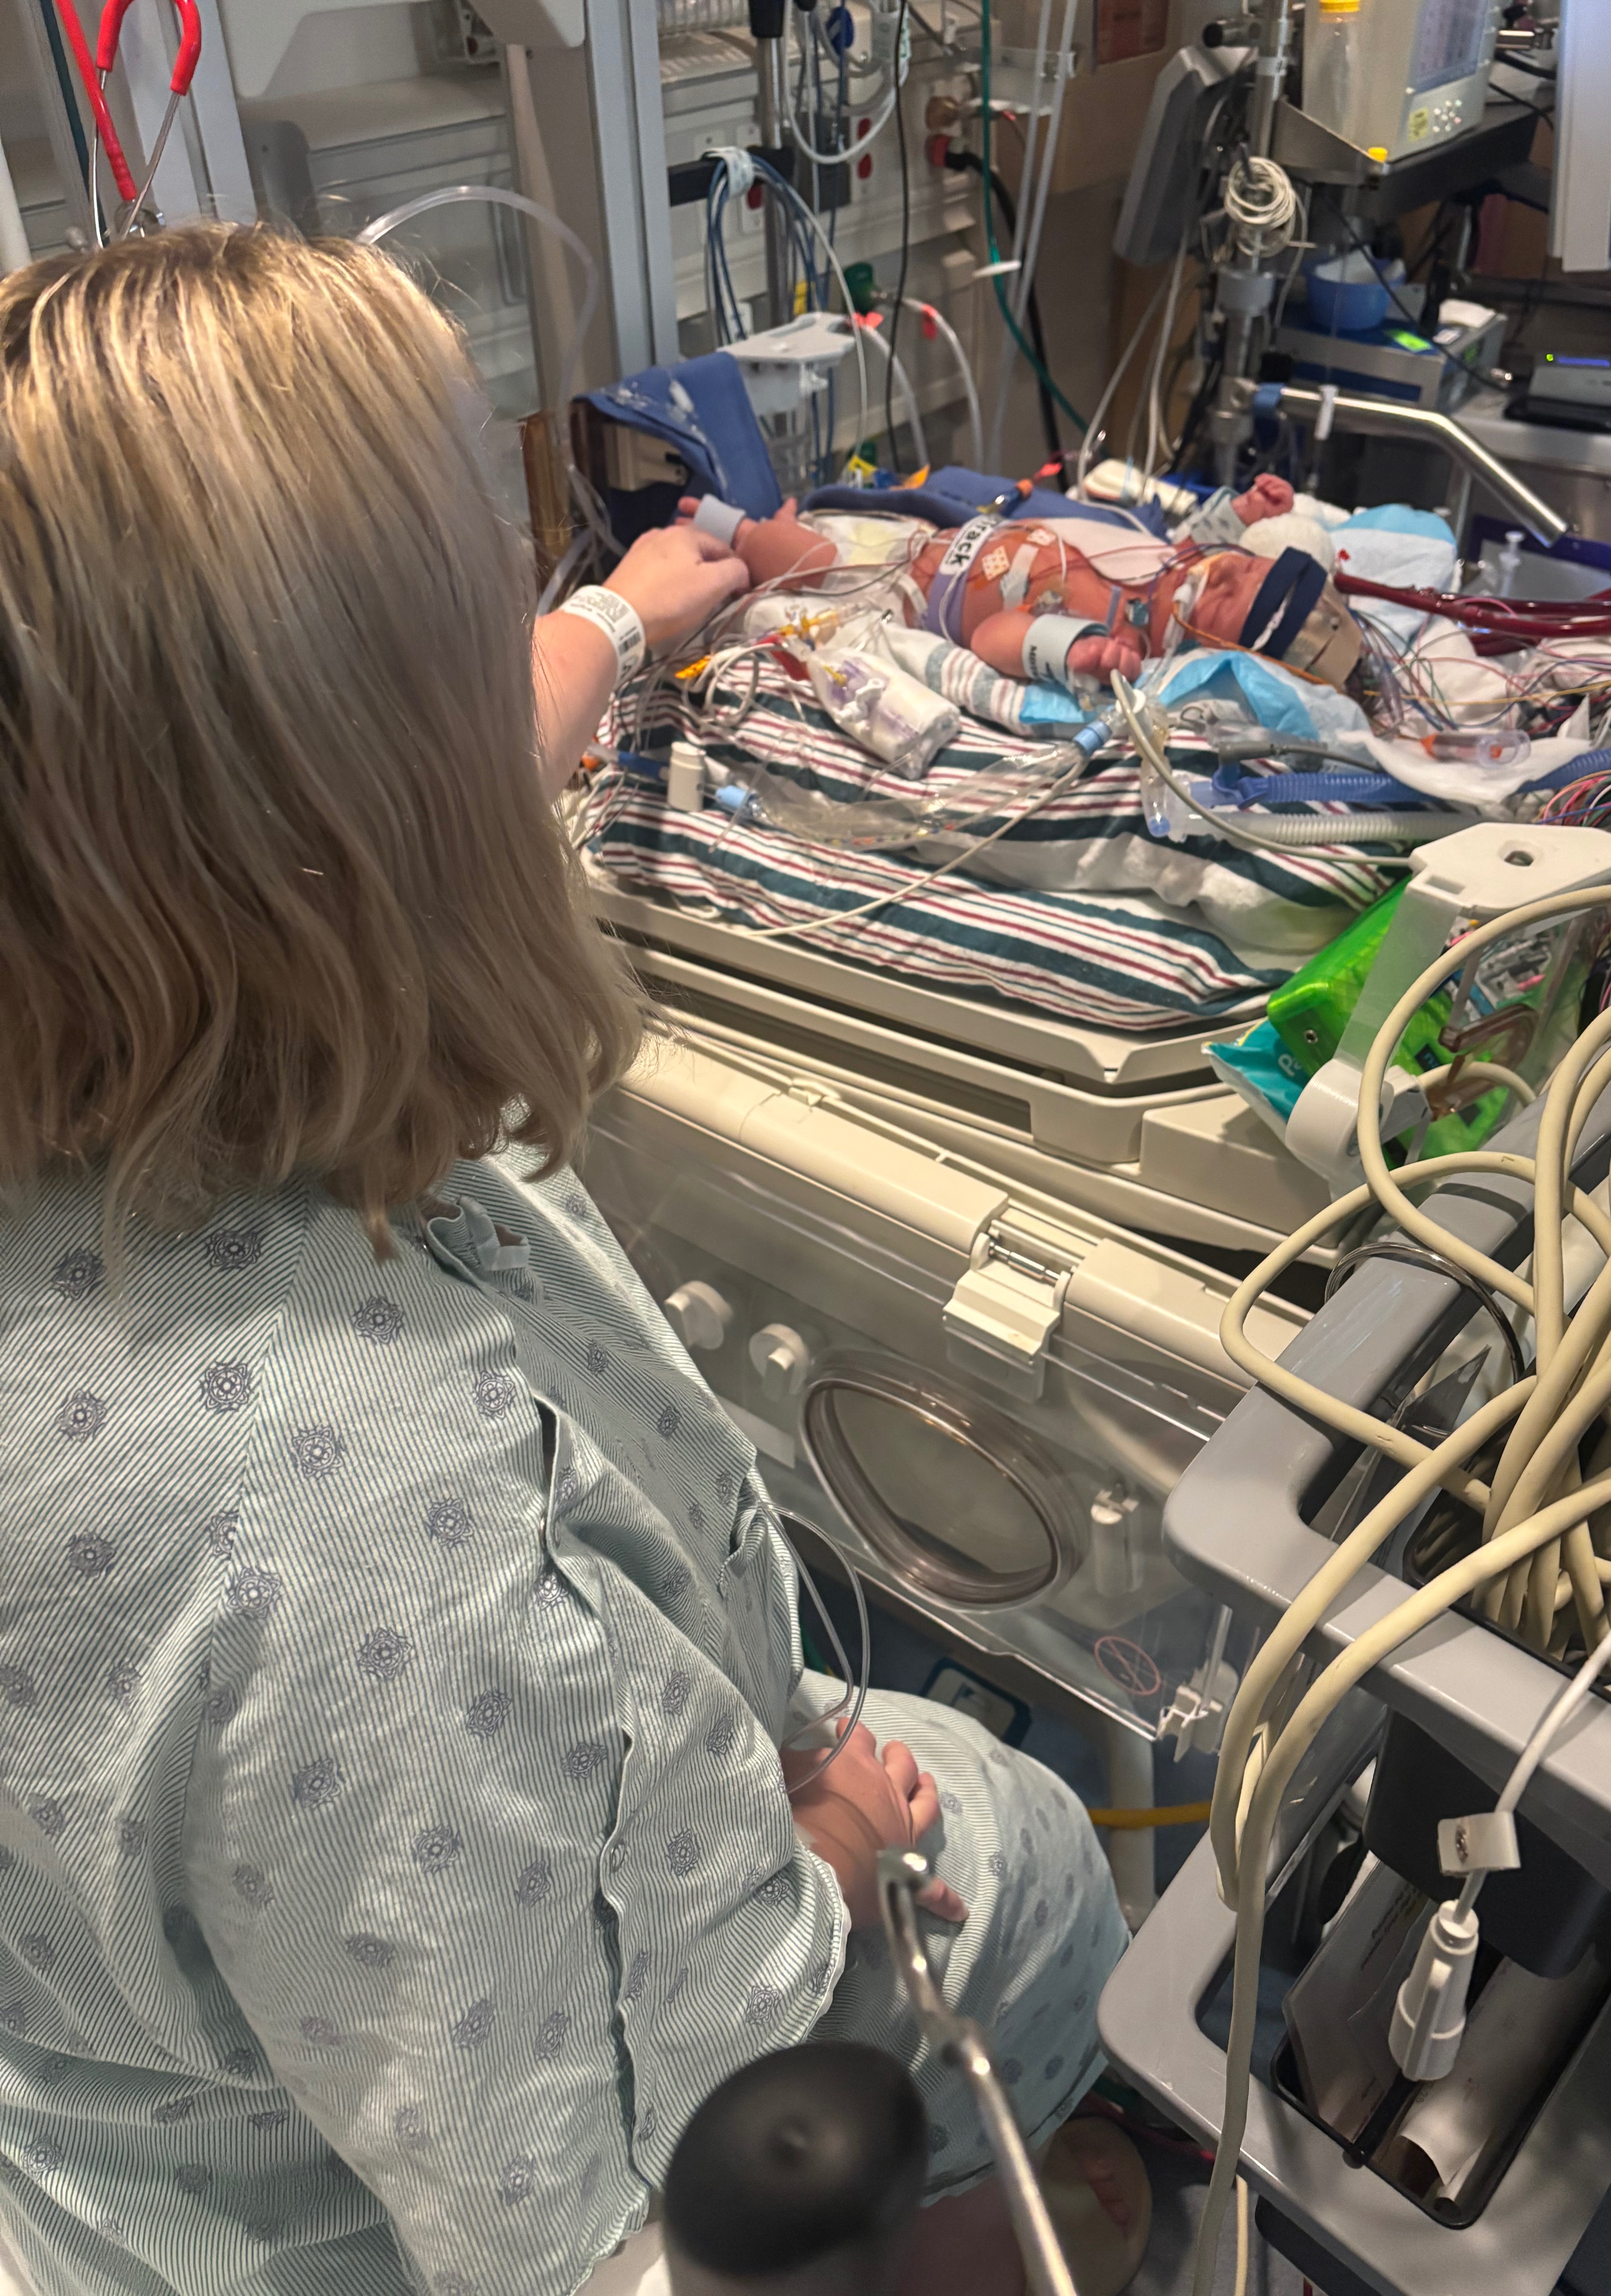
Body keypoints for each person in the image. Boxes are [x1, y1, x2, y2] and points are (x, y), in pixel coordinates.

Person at [0, 225, 1141, 2296]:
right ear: (364, 795)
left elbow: (400, 769)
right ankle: (1001, 2212)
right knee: (1023, 1848)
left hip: (117, 2143)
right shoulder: (384, 1522)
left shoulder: (113, 993)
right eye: (481, 588)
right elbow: (624, 2237)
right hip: (503, 2186)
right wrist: (824, 1862)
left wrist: (621, 615)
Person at [680, 471, 1364, 691]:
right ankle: (760, 534)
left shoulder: (1115, 640)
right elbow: (1185, 546)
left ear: (1199, 652)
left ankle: (720, 534)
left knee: (810, 558)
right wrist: (1241, 515)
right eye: (1245, 562)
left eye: (1226, 593)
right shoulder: (1165, 568)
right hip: (923, 540)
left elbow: (992, 637)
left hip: (902, 593)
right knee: (829, 534)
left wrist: (1073, 652)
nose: (1224, 568)